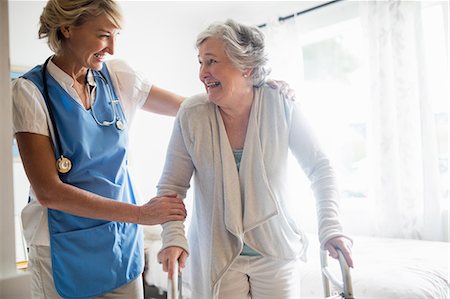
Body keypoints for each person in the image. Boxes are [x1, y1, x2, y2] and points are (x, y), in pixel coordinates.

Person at [157, 19, 354, 299]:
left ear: (246, 66)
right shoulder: (192, 114)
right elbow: (171, 189)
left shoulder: (280, 103)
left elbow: (320, 168)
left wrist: (331, 227)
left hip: (275, 250)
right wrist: (173, 237)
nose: (202, 73)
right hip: (218, 256)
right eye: (200, 62)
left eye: (211, 61)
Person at [11, 0, 187, 298]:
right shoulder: (30, 92)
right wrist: (140, 214)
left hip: (119, 240)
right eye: (104, 35)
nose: (113, 48)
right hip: (60, 246)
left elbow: (188, 110)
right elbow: (48, 192)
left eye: (116, 35)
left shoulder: (118, 77)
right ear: (67, 28)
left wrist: (255, 92)